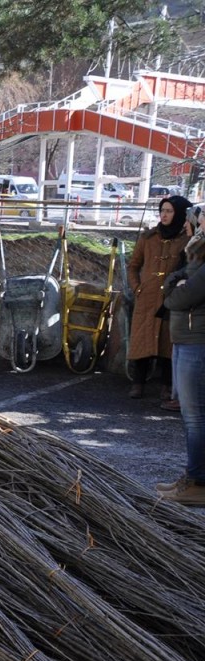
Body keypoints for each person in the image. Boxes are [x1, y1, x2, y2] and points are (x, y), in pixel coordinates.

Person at [159, 205, 205, 505]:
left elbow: (179, 298)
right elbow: (174, 283)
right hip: (188, 340)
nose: (198, 221)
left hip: (197, 344)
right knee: (193, 417)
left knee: (195, 417)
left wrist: (176, 285)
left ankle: (198, 482)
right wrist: (177, 281)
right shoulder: (198, 256)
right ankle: (193, 476)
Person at [127, 195, 190, 403]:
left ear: (179, 213)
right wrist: (137, 288)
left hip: (172, 299)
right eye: (162, 210)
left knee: (167, 342)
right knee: (142, 340)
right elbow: (133, 266)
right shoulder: (148, 237)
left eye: (170, 211)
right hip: (147, 298)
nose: (164, 215)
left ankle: (166, 386)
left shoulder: (186, 239)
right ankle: (138, 383)